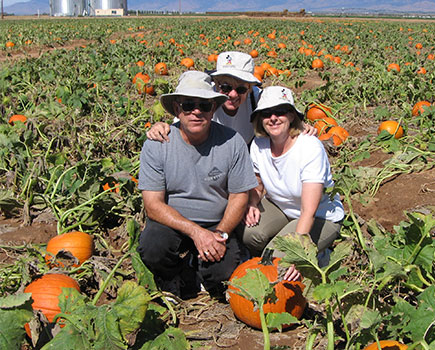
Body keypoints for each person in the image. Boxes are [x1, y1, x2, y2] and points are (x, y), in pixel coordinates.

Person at [137, 71, 258, 300]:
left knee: (222, 275)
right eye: (188, 104)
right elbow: (152, 206)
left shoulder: (232, 142)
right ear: (176, 108)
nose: (196, 111)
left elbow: (239, 196)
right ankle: (171, 277)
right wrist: (196, 233)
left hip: (215, 223)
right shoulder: (157, 144)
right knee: (153, 246)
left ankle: (199, 273)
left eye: (203, 105)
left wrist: (220, 234)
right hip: (172, 221)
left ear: (213, 108)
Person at [242, 86, 345, 281]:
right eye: (266, 113)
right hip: (281, 207)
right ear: (259, 118)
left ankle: (319, 255)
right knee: (250, 233)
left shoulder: (309, 148)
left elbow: (309, 211)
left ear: (291, 115)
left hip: (320, 217)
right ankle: (290, 241)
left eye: (280, 111)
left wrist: (298, 253)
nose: (273, 118)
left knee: (277, 261)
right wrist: (253, 202)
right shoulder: (259, 144)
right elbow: (258, 182)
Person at [146, 51, 317, 145]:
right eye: (225, 87)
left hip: (247, 155)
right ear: (216, 83)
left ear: (249, 88)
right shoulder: (204, 99)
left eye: (241, 88)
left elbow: (280, 111)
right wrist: (161, 126)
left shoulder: (257, 98)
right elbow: (180, 123)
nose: (233, 94)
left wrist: (299, 125)